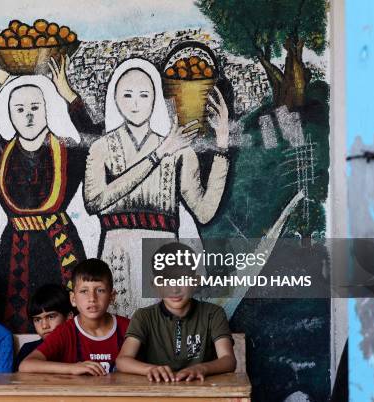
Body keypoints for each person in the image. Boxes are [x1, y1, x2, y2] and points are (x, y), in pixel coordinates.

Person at [66, 57, 231, 317]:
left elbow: (204, 211)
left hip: (163, 255)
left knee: (161, 338)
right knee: (121, 334)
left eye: (144, 95)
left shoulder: (178, 150)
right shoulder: (102, 148)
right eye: (127, 95)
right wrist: (156, 156)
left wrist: (222, 145)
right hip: (117, 254)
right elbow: (94, 201)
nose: (135, 103)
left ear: (155, 99)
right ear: (116, 99)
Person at [0, 57, 99, 332]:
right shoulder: (1, 150)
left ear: (47, 110)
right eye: (19, 109)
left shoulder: (67, 153)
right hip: (15, 250)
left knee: (67, 325)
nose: (28, 115)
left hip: (61, 249)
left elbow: (94, 137)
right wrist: (5, 70)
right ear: (10, 115)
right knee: (17, 327)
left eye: (35, 107)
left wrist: (67, 92)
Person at [116, 242, 236, 382]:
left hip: (203, 392)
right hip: (157, 393)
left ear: (195, 281)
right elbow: (122, 361)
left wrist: (201, 368)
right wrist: (150, 369)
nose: (174, 289)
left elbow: (228, 360)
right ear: (155, 285)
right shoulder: (144, 316)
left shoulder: (213, 314)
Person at [18, 258, 130, 375]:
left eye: (100, 290)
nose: (92, 298)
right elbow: (26, 365)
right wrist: (72, 368)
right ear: (73, 299)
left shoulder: (129, 327)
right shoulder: (65, 331)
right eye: (84, 291)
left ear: (112, 297)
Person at [13, 283, 74, 371]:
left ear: (69, 317)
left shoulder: (78, 347)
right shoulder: (28, 350)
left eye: (51, 317)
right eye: (37, 320)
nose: (44, 326)